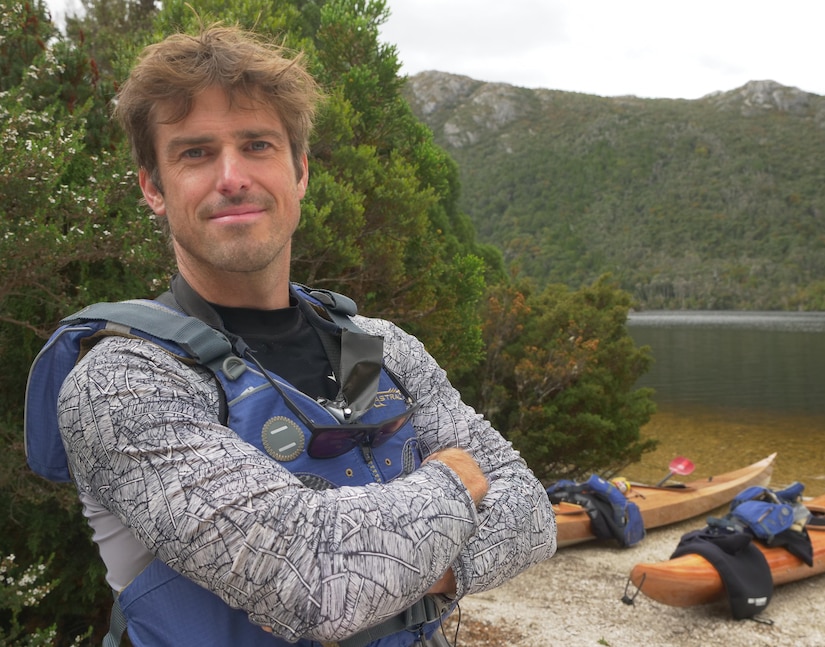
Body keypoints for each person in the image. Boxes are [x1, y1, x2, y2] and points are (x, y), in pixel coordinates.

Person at [49, 23, 556, 646]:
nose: (232, 176)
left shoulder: (371, 347)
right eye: (196, 152)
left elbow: (531, 514)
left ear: (301, 173)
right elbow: (320, 583)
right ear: (154, 186)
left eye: (258, 144)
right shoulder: (123, 381)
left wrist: (387, 566)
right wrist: (457, 479)